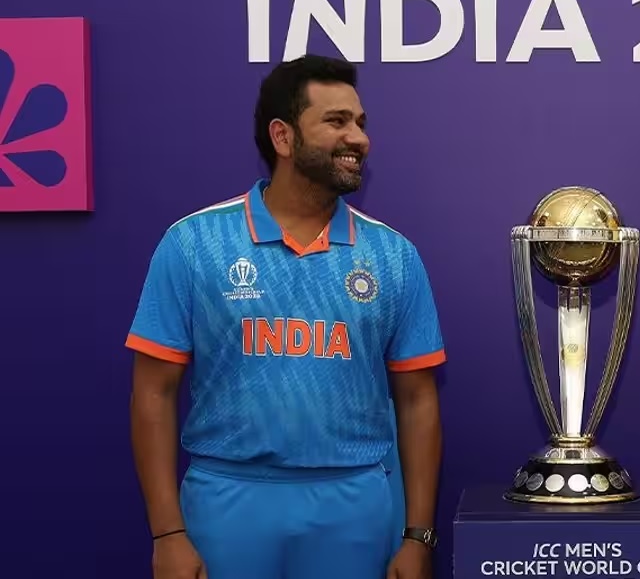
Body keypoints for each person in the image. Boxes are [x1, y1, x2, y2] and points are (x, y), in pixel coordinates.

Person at [128, 54, 446, 579]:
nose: (359, 138)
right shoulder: (193, 243)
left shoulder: (393, 255)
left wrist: (417, 536)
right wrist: (167, 534)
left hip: (354, 505)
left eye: (360, 122)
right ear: (283, 136)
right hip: (227, 502)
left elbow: (417, 400)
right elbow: (153, 393)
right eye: (336, 121)